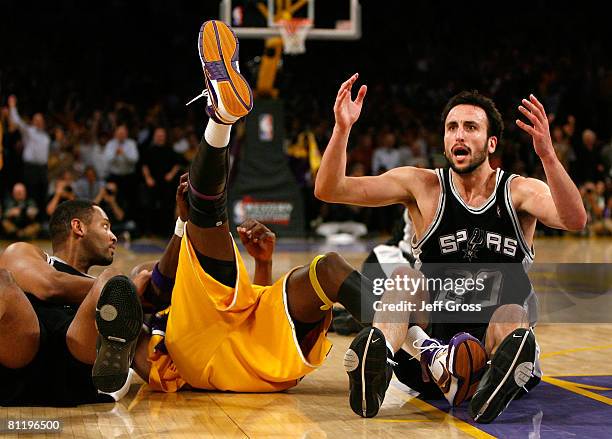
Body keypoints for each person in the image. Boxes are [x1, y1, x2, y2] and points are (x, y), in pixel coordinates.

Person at [315, 74, 587, 423]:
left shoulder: (518, 192)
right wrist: (342, 129)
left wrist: (548, 155)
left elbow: (575, 219)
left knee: (513, 315)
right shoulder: (423, 186)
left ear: (491, 143)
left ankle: (496, 381)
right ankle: (377, 357)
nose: (459, 134)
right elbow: (330, 189)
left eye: (470, 127)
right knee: (403, 279)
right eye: (452, 127)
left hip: (491, 349)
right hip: (431, 355)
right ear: (444, 140)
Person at [129, 20, 380, 394]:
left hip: (254, 342)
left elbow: (242, 309)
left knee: (328, 268)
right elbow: (159, 284)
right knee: (203, 216)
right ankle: (221, 118)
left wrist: (263, 264)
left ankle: (408, 349)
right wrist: (182, 226)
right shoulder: (145, 317)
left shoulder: (165, 289)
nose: (142, 272)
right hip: (201, 352)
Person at [0, 199, 148, 406]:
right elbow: (50, 286)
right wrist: (131, 289)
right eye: (105, 226)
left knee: (111, 279)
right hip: (24, 347)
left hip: (77, 351)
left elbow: (153, 368)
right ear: (78, 227)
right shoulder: (25, 253)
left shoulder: (108, 294)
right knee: (1, 282)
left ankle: (113, 354)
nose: (114, 237)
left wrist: (183, 226)